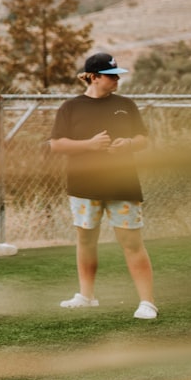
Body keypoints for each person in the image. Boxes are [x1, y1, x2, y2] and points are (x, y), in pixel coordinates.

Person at [50, 52, 157, 319]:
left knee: (132, 242)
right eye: (111, 76)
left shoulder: (126, 105)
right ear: (94, 77)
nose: (116, 80)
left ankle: (147, 303)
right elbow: (56, 144)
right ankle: (86, 296)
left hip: (123, 185)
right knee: (85, 240)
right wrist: (89, 145)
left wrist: (129, 144)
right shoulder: (70, 107)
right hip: (83, 186)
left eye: (117, 75)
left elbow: (143, 138)